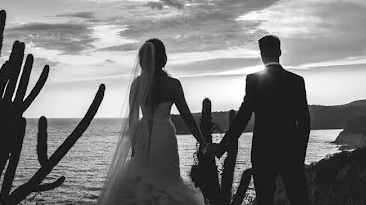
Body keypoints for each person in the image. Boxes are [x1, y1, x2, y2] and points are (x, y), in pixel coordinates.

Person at [98, 38, 208, 205]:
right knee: (169, 183)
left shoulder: (137, 84)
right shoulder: (173, 84)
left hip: (143, 137)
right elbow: (187, 118)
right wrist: (203, 142)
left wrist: (135, 146)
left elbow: (133, 119)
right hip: (165, 137)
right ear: (163, 58)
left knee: (140, 183)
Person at [213, 35, 310, 205]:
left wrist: (223, 144)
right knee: (299, 198)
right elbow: (304, 122)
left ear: (261, 54)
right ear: (279, 52)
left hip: (262, 151)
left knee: (264, 199)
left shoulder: (253, 81)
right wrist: (299, 154)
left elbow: (242, 117)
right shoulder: (296, 81)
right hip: (290, 151)